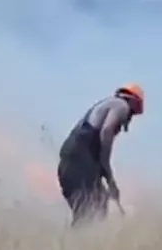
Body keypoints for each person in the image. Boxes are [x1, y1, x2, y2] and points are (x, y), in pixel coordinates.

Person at [56, 84, 144, 227]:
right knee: (91, 210)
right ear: (133, 102)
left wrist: (110, 181)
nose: (130, 117)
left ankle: (77, 245)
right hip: (79, 160)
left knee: (96, 204)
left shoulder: (106, 105)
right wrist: (105, 163)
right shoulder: (121, 105)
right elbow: (107, 131)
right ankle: (80, 243)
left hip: (71, 161)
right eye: (133, 113)